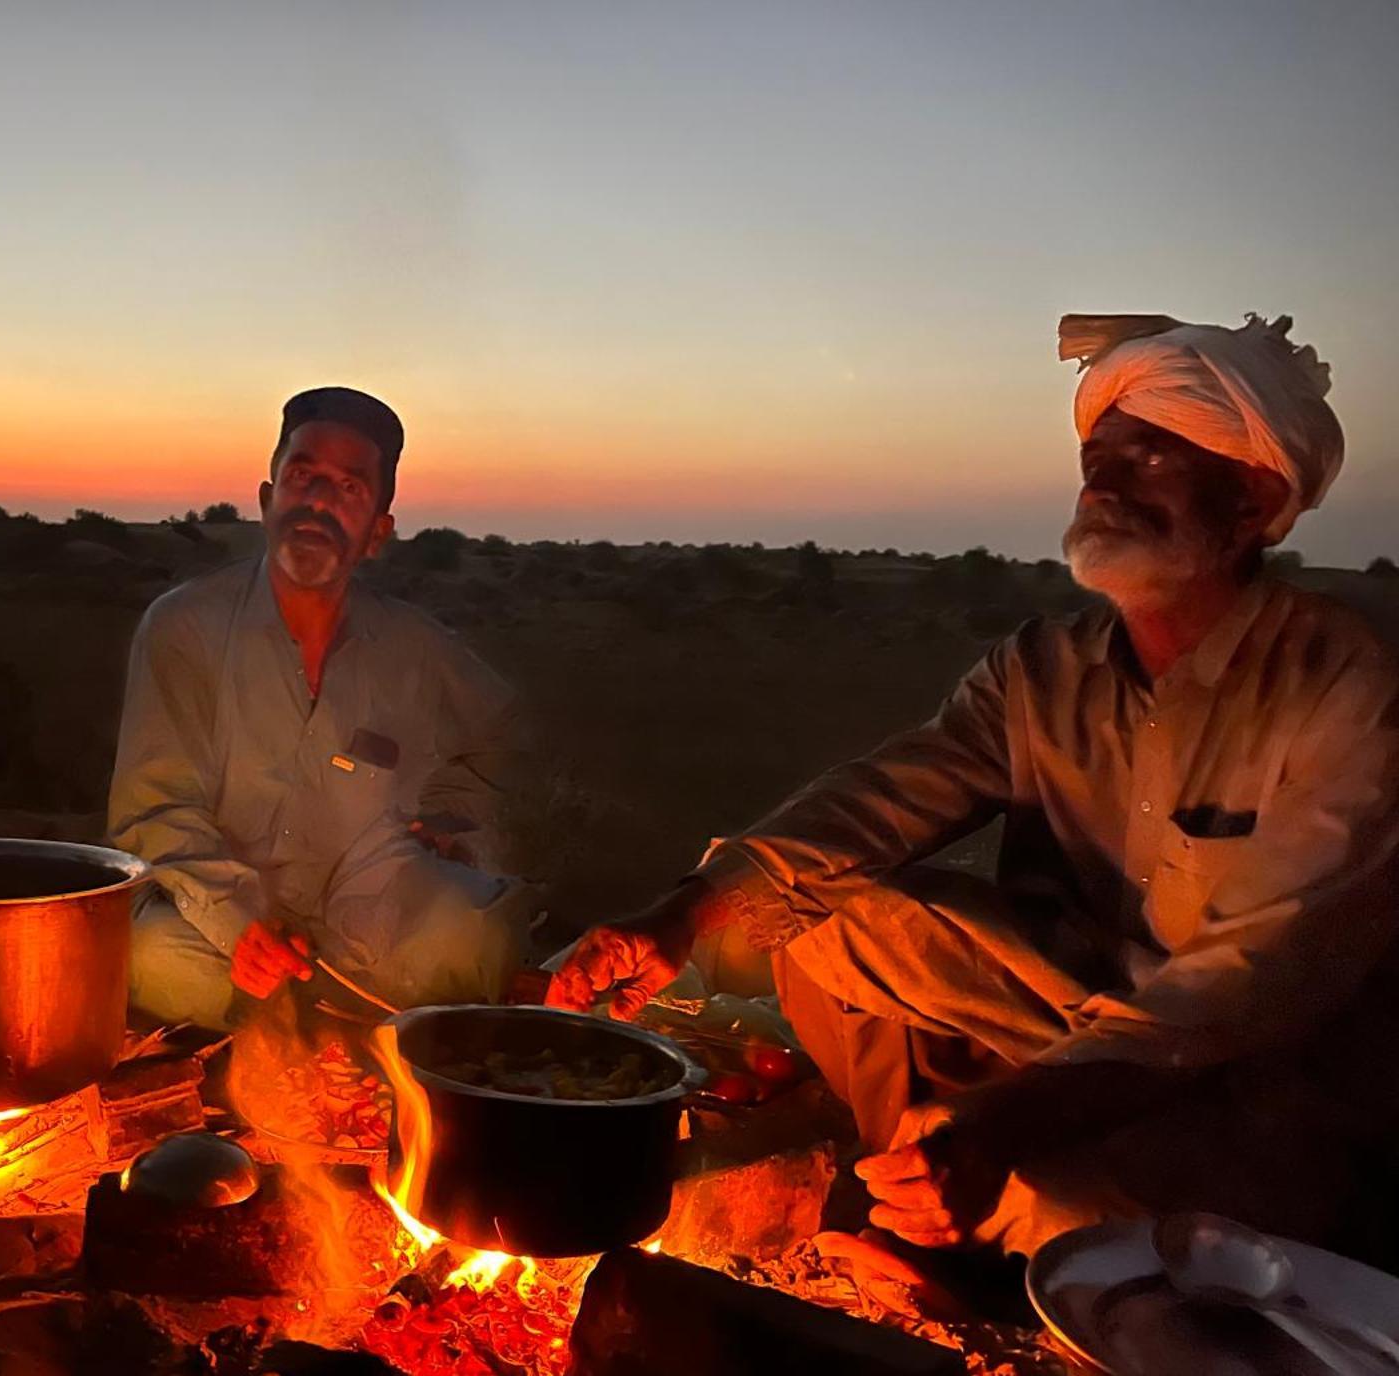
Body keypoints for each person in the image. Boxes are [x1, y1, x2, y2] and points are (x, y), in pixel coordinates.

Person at [551, 313, 1399, 1258]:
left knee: (1061, 1211)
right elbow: (879, 800)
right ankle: (923, 1180)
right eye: (1096, 454)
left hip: (1250, 1069)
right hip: (1063, 1009)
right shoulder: (1043, 667)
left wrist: (1005, 1121)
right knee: (799, 918)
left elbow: (1242, 988)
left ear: (1253, 498)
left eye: (1149, 456)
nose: (1101, 482)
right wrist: (683, 916)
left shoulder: (1351, 687)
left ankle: (972, 1203)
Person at [109, 386, 527, 1030]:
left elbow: (503, 736)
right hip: (213, 921)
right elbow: (156, 807)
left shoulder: (415, 647)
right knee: (147, 955)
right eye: (302, 476)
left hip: (362, 911)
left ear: (377, 534)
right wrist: (237, 926)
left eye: (350, 488)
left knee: (476, 934)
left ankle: (295, 1028)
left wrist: (453, 817)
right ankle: (350, 1027)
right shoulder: (183, 627)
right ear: (268, 499)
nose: (319, 501)